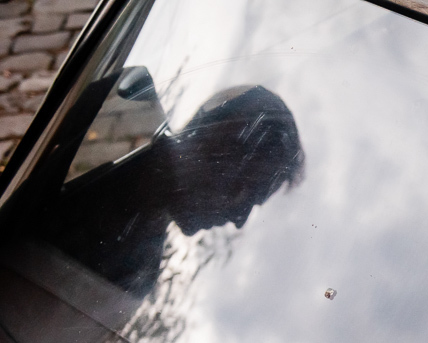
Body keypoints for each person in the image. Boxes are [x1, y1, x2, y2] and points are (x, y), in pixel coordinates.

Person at [34, 81, 305, 299]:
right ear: (221, 143)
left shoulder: (136, 275)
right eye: (248, 192)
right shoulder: (118, 99)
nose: (240, 219)